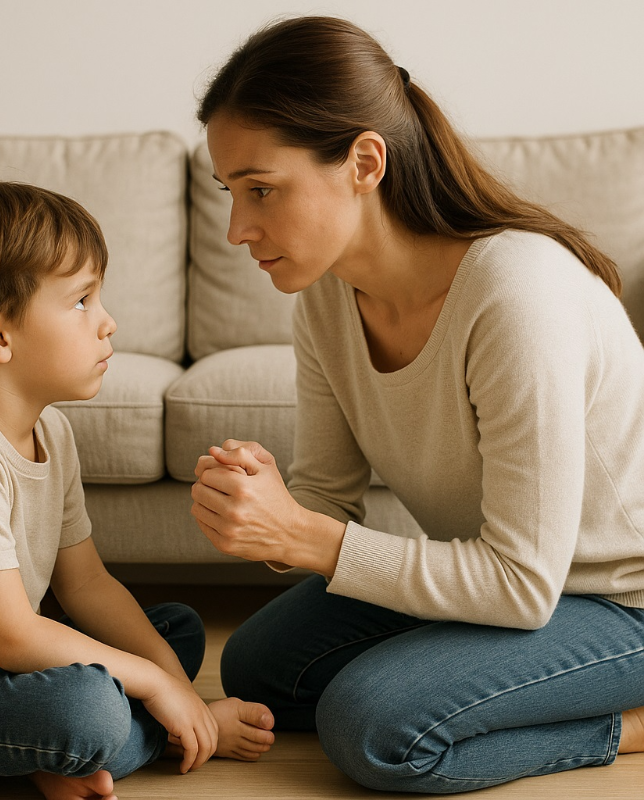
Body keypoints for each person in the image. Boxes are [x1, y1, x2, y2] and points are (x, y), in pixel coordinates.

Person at [190, 15, 644, 795]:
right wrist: (262, 511)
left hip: (618, 597)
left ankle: (624, 724)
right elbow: (327, 504)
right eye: (230, 193)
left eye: (262, 189)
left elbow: (521, 583)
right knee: (259, 669)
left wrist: (303, 533)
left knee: (375, 727)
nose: (237, 228)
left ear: (365, 161)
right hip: (511, 587)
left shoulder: (515, 293)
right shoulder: (328, 305)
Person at [0, 181, 274, 800]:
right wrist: (162, 691)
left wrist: (165, 678)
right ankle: (99, 742)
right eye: (81, 301)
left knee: (172, 632)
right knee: (92, 711)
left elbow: (86, 585)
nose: (108, 323)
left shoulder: (51, 428)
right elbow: (15, 636)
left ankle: (52, 752)